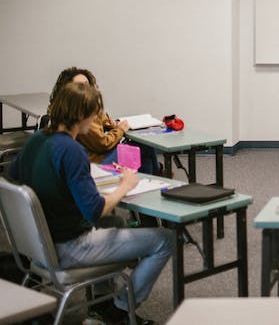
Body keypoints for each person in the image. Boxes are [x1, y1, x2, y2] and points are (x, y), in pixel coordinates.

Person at [11, 81, 173, 325]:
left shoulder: (36, 141)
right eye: (94, 113)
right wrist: (125, 186)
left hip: (35, 244)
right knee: (164, 239)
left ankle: (102, 304)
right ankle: (120, 310)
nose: (96, 118)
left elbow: (14, 178)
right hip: (68, 247)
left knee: (117, 221)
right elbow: (95, 211)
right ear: (81, 115)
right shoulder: (72, 150)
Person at [50, 67, 160, 175]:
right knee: (143, 146)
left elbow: (100, 117)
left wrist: (108, 123)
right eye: (80, 86)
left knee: (143, 156)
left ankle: (152, 177)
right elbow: (103, 144)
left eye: (87, 85)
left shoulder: (67, 108)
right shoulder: (79, 115)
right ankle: (158, 172)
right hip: (96, 161)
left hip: (95, 155)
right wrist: (120, 130)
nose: (85, 88)